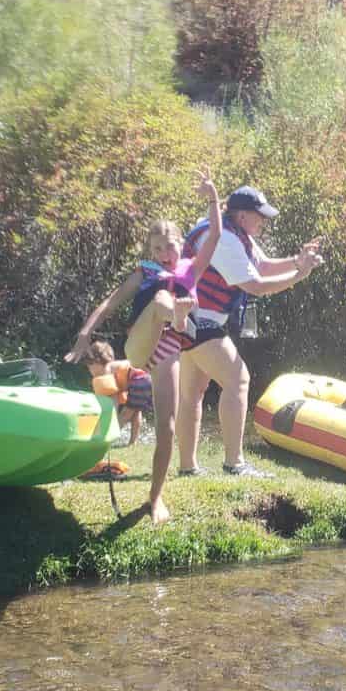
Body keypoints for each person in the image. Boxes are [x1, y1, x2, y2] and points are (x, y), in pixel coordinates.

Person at [63, 171, 222, 522]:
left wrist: (212, 198)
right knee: (166, 297)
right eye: (157, 248)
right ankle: (179, 317)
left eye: (169, 246)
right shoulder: (146, 272)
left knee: (166, 427)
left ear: (182, 244)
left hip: (167, 350)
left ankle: (156, 498)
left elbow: (216, 236)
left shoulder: (191, 269)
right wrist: (85, 334)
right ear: (150, 252)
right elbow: (111, 302)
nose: (164, 253)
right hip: (140, 344)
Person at [175, 186, 323, 479]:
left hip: (189, 320)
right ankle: (234, 463)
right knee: (238, 380)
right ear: (242, 215)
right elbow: (255, 285)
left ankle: (188, 467)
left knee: (193, 393)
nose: (263, 222)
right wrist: (299, 276)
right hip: (199, 321)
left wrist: (297, 261)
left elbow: (263, 267)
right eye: (260, 217)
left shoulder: (234, 233)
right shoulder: (225, 239)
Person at [80, 341, 150, 449]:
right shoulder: (114, 366)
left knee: (125, 414)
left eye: (90, 366)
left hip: (138, 379)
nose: (90, 371)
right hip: (146, 377)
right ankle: (133, 441)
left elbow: (113, 401)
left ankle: (108, 439)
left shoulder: (107, 369)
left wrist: (113, 416)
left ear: (97, 362)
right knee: (135, 412)